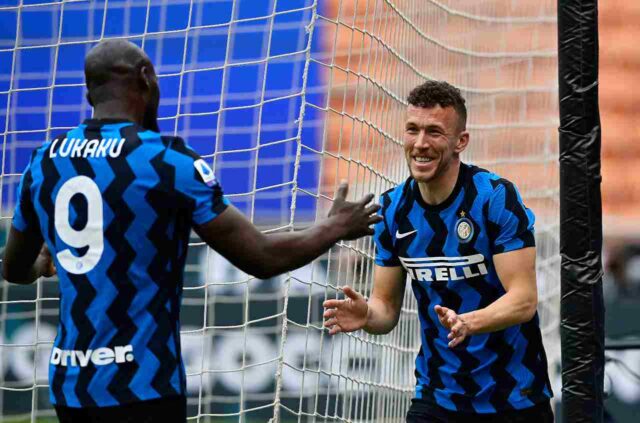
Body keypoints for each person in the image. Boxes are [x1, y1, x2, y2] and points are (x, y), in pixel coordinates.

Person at [1, 39, 382, 423]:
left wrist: (42, 263)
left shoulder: (43, 163)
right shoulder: (166, 161)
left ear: (89, 94)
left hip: (71, 386)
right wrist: (334, 226)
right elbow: (262, 257)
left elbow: (13, 269)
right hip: (143, 384)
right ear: (146, 78)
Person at [323, 80, 554, 422]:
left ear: (461, 141)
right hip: (438, 395)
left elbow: (523, 299)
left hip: (514, 395)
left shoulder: (494, 198)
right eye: (412, 130)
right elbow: (386, 307)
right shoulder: (392, 210)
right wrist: (367, 315)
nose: (420, 143)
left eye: (434, 132)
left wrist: (468, 322)